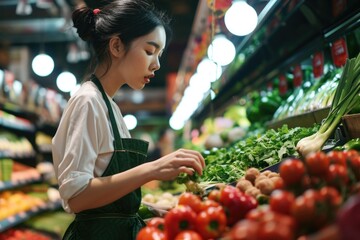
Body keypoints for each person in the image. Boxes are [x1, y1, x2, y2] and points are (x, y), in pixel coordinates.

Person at [51, 1, 205, 239]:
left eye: (160, 54)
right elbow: (77, 196)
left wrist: (149, 212)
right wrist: (153, 168)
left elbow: (110, 199)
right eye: (149, 51)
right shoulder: (88, 101)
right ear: (116, 46)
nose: (157, 64)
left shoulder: (108, 105)